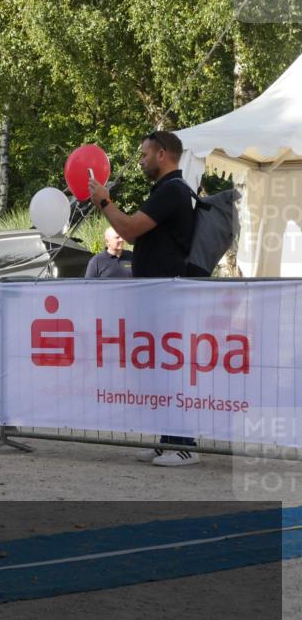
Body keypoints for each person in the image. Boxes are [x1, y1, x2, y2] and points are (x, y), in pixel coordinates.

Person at [88, 130, 199, 467]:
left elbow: (130, 229)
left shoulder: (172, 191)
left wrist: (105, 202)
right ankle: (168, 439)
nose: (140, 160)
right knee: (158, 369)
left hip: (167, 293)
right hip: (156, 293)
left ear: (162, 154)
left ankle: (184, 444)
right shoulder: (166, 190)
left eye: (144, 154)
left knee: (171, 369)